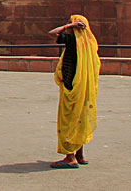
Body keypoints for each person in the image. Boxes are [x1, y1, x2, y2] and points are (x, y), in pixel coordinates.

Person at [48, 14, 100, 169]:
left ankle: (70, 157)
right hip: (85, 88)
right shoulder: (90, 43)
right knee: (80, 118)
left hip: (72, 87)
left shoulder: (71, 41)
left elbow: (52, 33)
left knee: (69, 120)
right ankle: (80, 155)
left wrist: (69, 27)